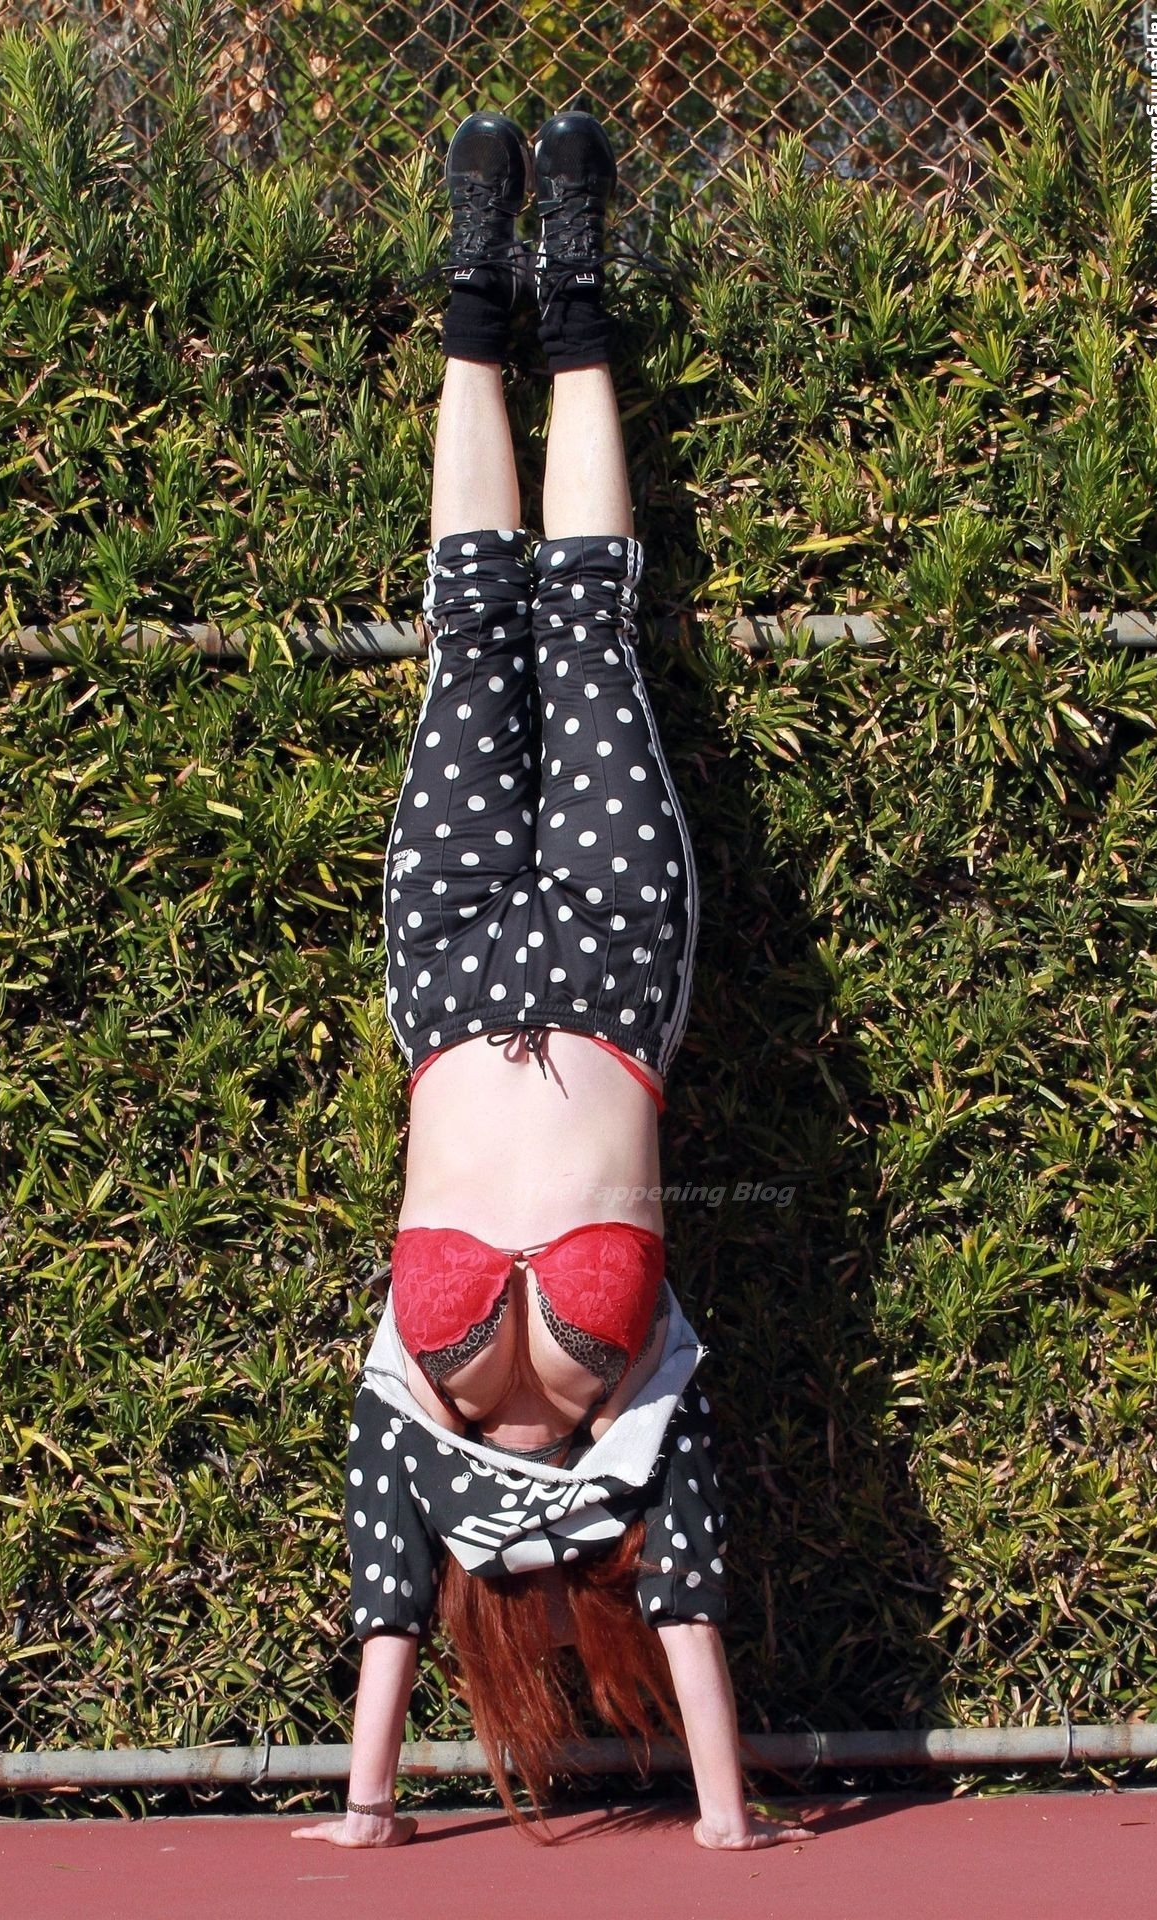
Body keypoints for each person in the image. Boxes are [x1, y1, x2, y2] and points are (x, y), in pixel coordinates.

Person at [292, 109, 817, 1855]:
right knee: (581, 622)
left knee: (476, 620)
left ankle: (476, 277)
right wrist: (725, 1814)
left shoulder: (416, 1436)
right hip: (611, 974)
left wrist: (369, 1806)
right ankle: (571, 279)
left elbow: (385, 1603)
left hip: (448, 983)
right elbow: (696, 1604)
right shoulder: (642, 1437)